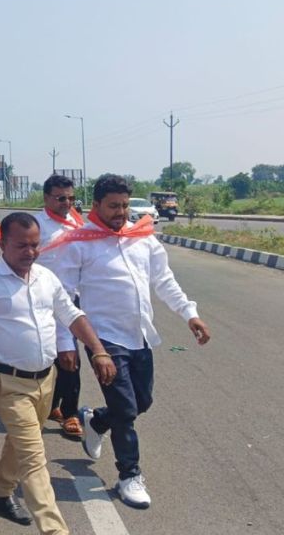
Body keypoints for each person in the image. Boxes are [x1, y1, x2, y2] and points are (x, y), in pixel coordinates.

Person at [52, 175, 212, 510]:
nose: (121, 212)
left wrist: (189, 314)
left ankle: (96, 421)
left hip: (139, 336)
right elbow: (63, 298)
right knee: (126, 411)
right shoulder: (78, 243)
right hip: (104, 340)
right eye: (113, 206)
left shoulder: (143, 238)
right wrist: (66, 343)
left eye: (125, 205)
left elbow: (164, 280)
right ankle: (129, 475)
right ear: (95, 205)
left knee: (142, 402)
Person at [0, 212, 116, 534]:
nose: (30, 252)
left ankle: (2, 493)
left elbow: (71, 315)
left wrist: (98, 350)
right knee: (34, 456)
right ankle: (55, 529)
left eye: (35, 245)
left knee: (21, 444)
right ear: (1, 243)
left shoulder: (46, 277)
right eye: (21, 246)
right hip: (7, 383)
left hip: (46, 379)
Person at [33, 174, 86, 439]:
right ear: (46, 198)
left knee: (70, 357)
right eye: (61, 198)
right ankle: (51, 405)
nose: (67, 203)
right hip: (39, 300)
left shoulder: (77, 223)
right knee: (46, 356)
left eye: (71, 198)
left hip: (69, 299)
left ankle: (71, 413)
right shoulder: (37, 226)